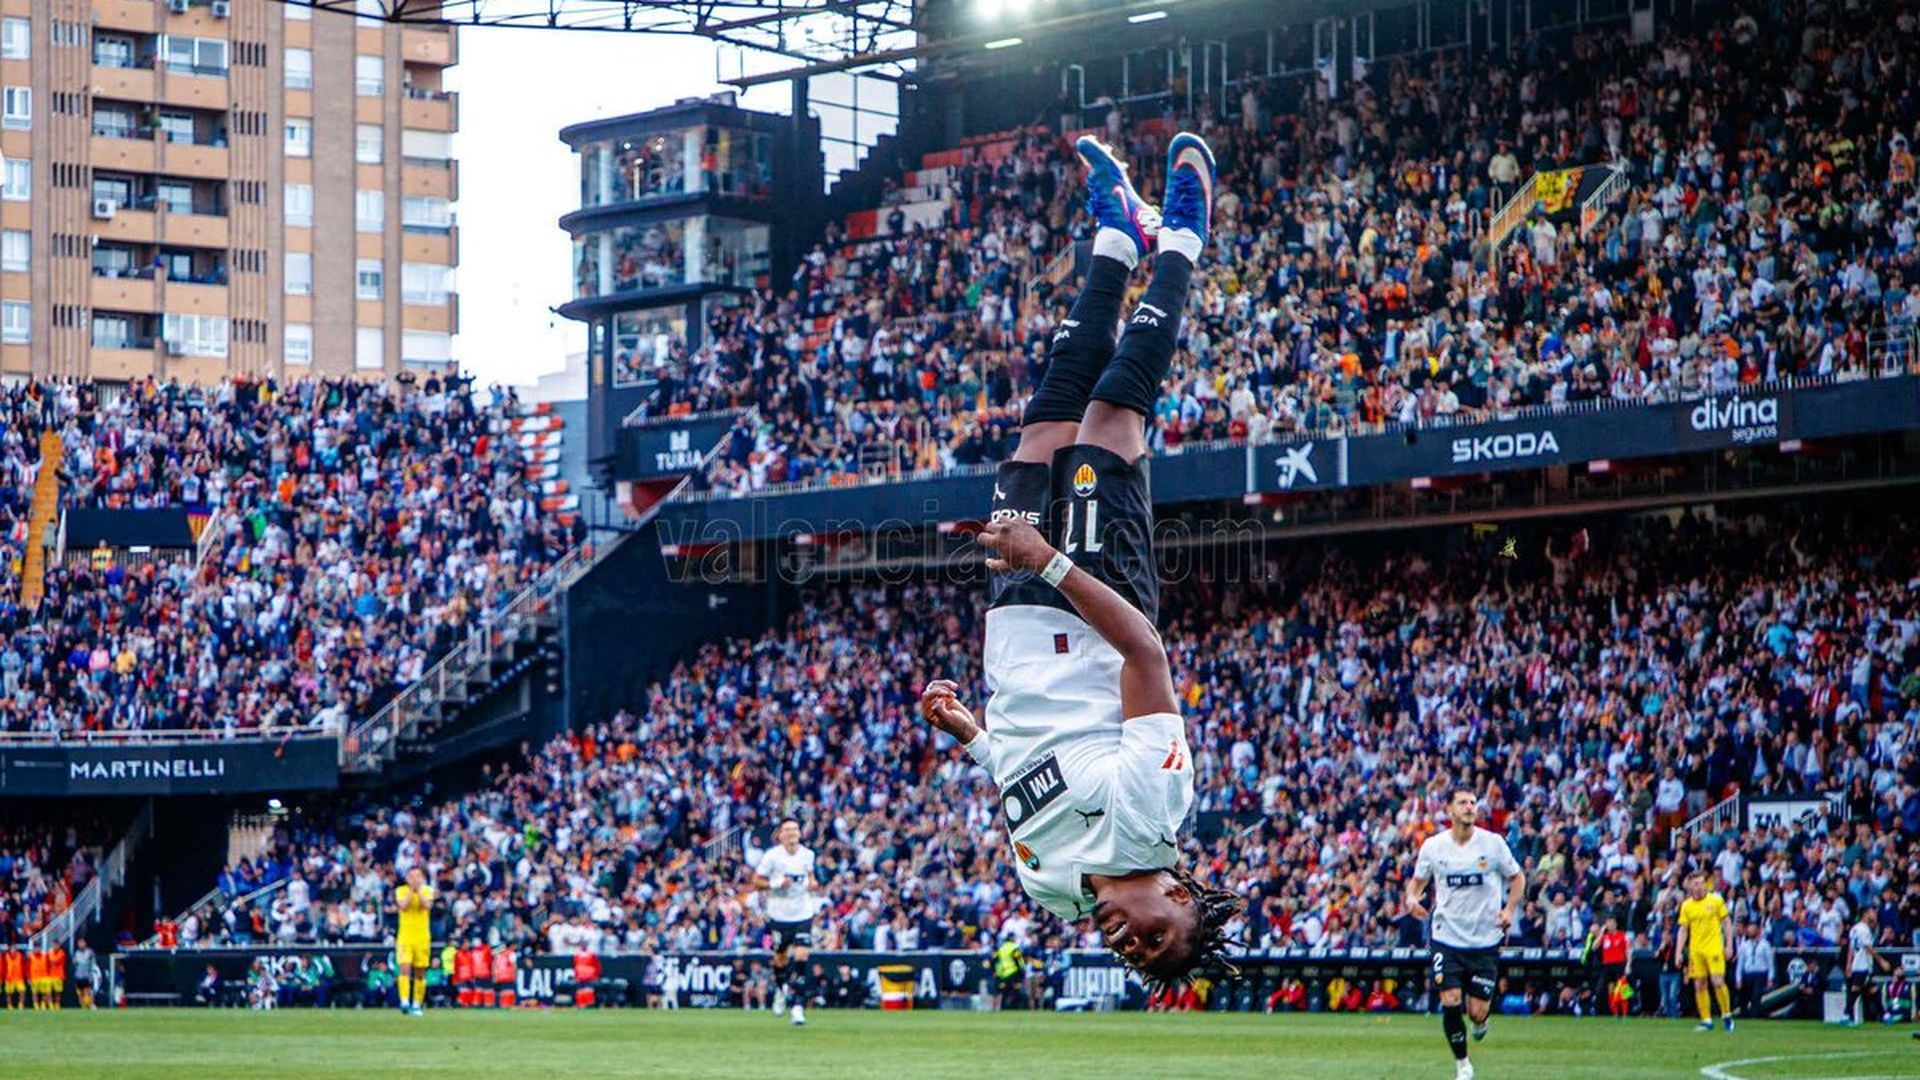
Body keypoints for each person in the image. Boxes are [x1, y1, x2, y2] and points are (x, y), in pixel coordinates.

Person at [919, 132, 1241, 990]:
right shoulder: (1152, 814)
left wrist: (973, 740)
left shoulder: (1053, 890)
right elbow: (1146, 654)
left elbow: (1030, 775)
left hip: (1017, 619)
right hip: (1086, 605)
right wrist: (1051, 561)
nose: (1125, 941)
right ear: (1181, 893)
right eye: (1154, 938)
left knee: (1043, 428)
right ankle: (1179, 242)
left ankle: (1114, 239)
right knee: (1109, 420)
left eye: (1129, 956)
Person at [1404, 788, 1525, 1080]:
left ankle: (1481, 1023)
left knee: (1477, 1012)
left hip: (1485, 939)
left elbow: (1517, 878)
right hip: (1446, 937)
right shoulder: (1434, 847)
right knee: (1450, 999)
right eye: (1463, 803)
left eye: (1473, 803)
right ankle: (1463, 1065)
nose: (1470, 807)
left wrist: (1508, 910)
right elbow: (1417, 884)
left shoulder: (1493, 844)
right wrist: (1411, 899)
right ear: (1450, 810)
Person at [752, 818, 819, 1026]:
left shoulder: (808, 855)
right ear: (780, 835)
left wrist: (812, 884)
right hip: (779, 914)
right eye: (787, 830)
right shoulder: (772, 856)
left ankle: (798, 1006)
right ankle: (781, 990)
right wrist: (775, 883)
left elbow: (812, 879)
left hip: (802, 913)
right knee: (780, 958)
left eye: (795, 829)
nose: (792, 833)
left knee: (801, 956)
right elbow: (756, 881)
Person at [1676, 871, 1735, 1032]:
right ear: (1690, 886)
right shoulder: (1686, 905)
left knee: (1717, 981)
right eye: (1696, 883)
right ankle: (1706, 1020)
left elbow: (1727, 923)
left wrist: (1729, 945)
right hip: (1696, 950)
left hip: (1714, 947)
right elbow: (1683, 929)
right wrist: (1678, 952)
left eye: (1702, 883)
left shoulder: (1716, 900)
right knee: (1700, 985)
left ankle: (1726, 1015)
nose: (1699, 886)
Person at [393, 865, 435, 1017]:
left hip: (422, 937)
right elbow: (403, 906)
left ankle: (417, 1003)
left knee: (420, 972)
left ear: (422, 878)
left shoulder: (428, 891)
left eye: (417, 876)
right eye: (411, 876)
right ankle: (404, 1001)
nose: (414, 879)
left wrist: (419, 891)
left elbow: (427, 905)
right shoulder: (400, 891)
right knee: (404, 967)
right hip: (405, 936)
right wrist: (412, 891)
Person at [1844, 906, 1888, 1026]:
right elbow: (1868, 948)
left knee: (1873, 990)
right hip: (1863, 965)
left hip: (1857, 964)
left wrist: (1849, 964)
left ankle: (1884, 1015)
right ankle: (1846, 1014)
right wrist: (1882, 961)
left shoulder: (1854, 929)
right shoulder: (1864, 930)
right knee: (1856, 990)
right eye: (1872, 912)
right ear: (1865, 914)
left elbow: (1851, 949)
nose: (1874, 914)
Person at [1734, 922, 1773, 1018]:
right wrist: (1738, 978)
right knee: (1744, 996)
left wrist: (1770, 978)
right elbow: (1740, 963)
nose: (1750, 932)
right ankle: (1743, 1015)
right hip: (1748, 974)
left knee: (1756, 996)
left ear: (1758, 931)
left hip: (1759, 974)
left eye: (1752, 930)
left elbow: (1770, 963)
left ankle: (1754, 1016)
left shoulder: (1765, 945)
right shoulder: (1745, 945)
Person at [71, 940, 97, 1010]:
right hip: (78, 976)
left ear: (85, 944)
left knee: (88, 992)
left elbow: (93, 962)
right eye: (79, 943)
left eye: (82, 943)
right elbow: (74, 963)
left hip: (87, 975)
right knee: (80, 993)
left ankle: (91, 1005)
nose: (81, 945)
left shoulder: (90, 952)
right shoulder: (76, 953)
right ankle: (83, 1006)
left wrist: (91, 973)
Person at [2, 945, 23, 1010]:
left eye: (14, 948)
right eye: (12, 949)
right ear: (10, 949)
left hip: (19, 977)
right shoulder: (6, 956)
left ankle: (21, 1004)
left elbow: (23, 965)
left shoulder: (20, 955)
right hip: (9, 978)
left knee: (22, 991)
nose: (13, 950)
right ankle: (9, 1005)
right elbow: (3, 967)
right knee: (8, 993)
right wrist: (4, 977)